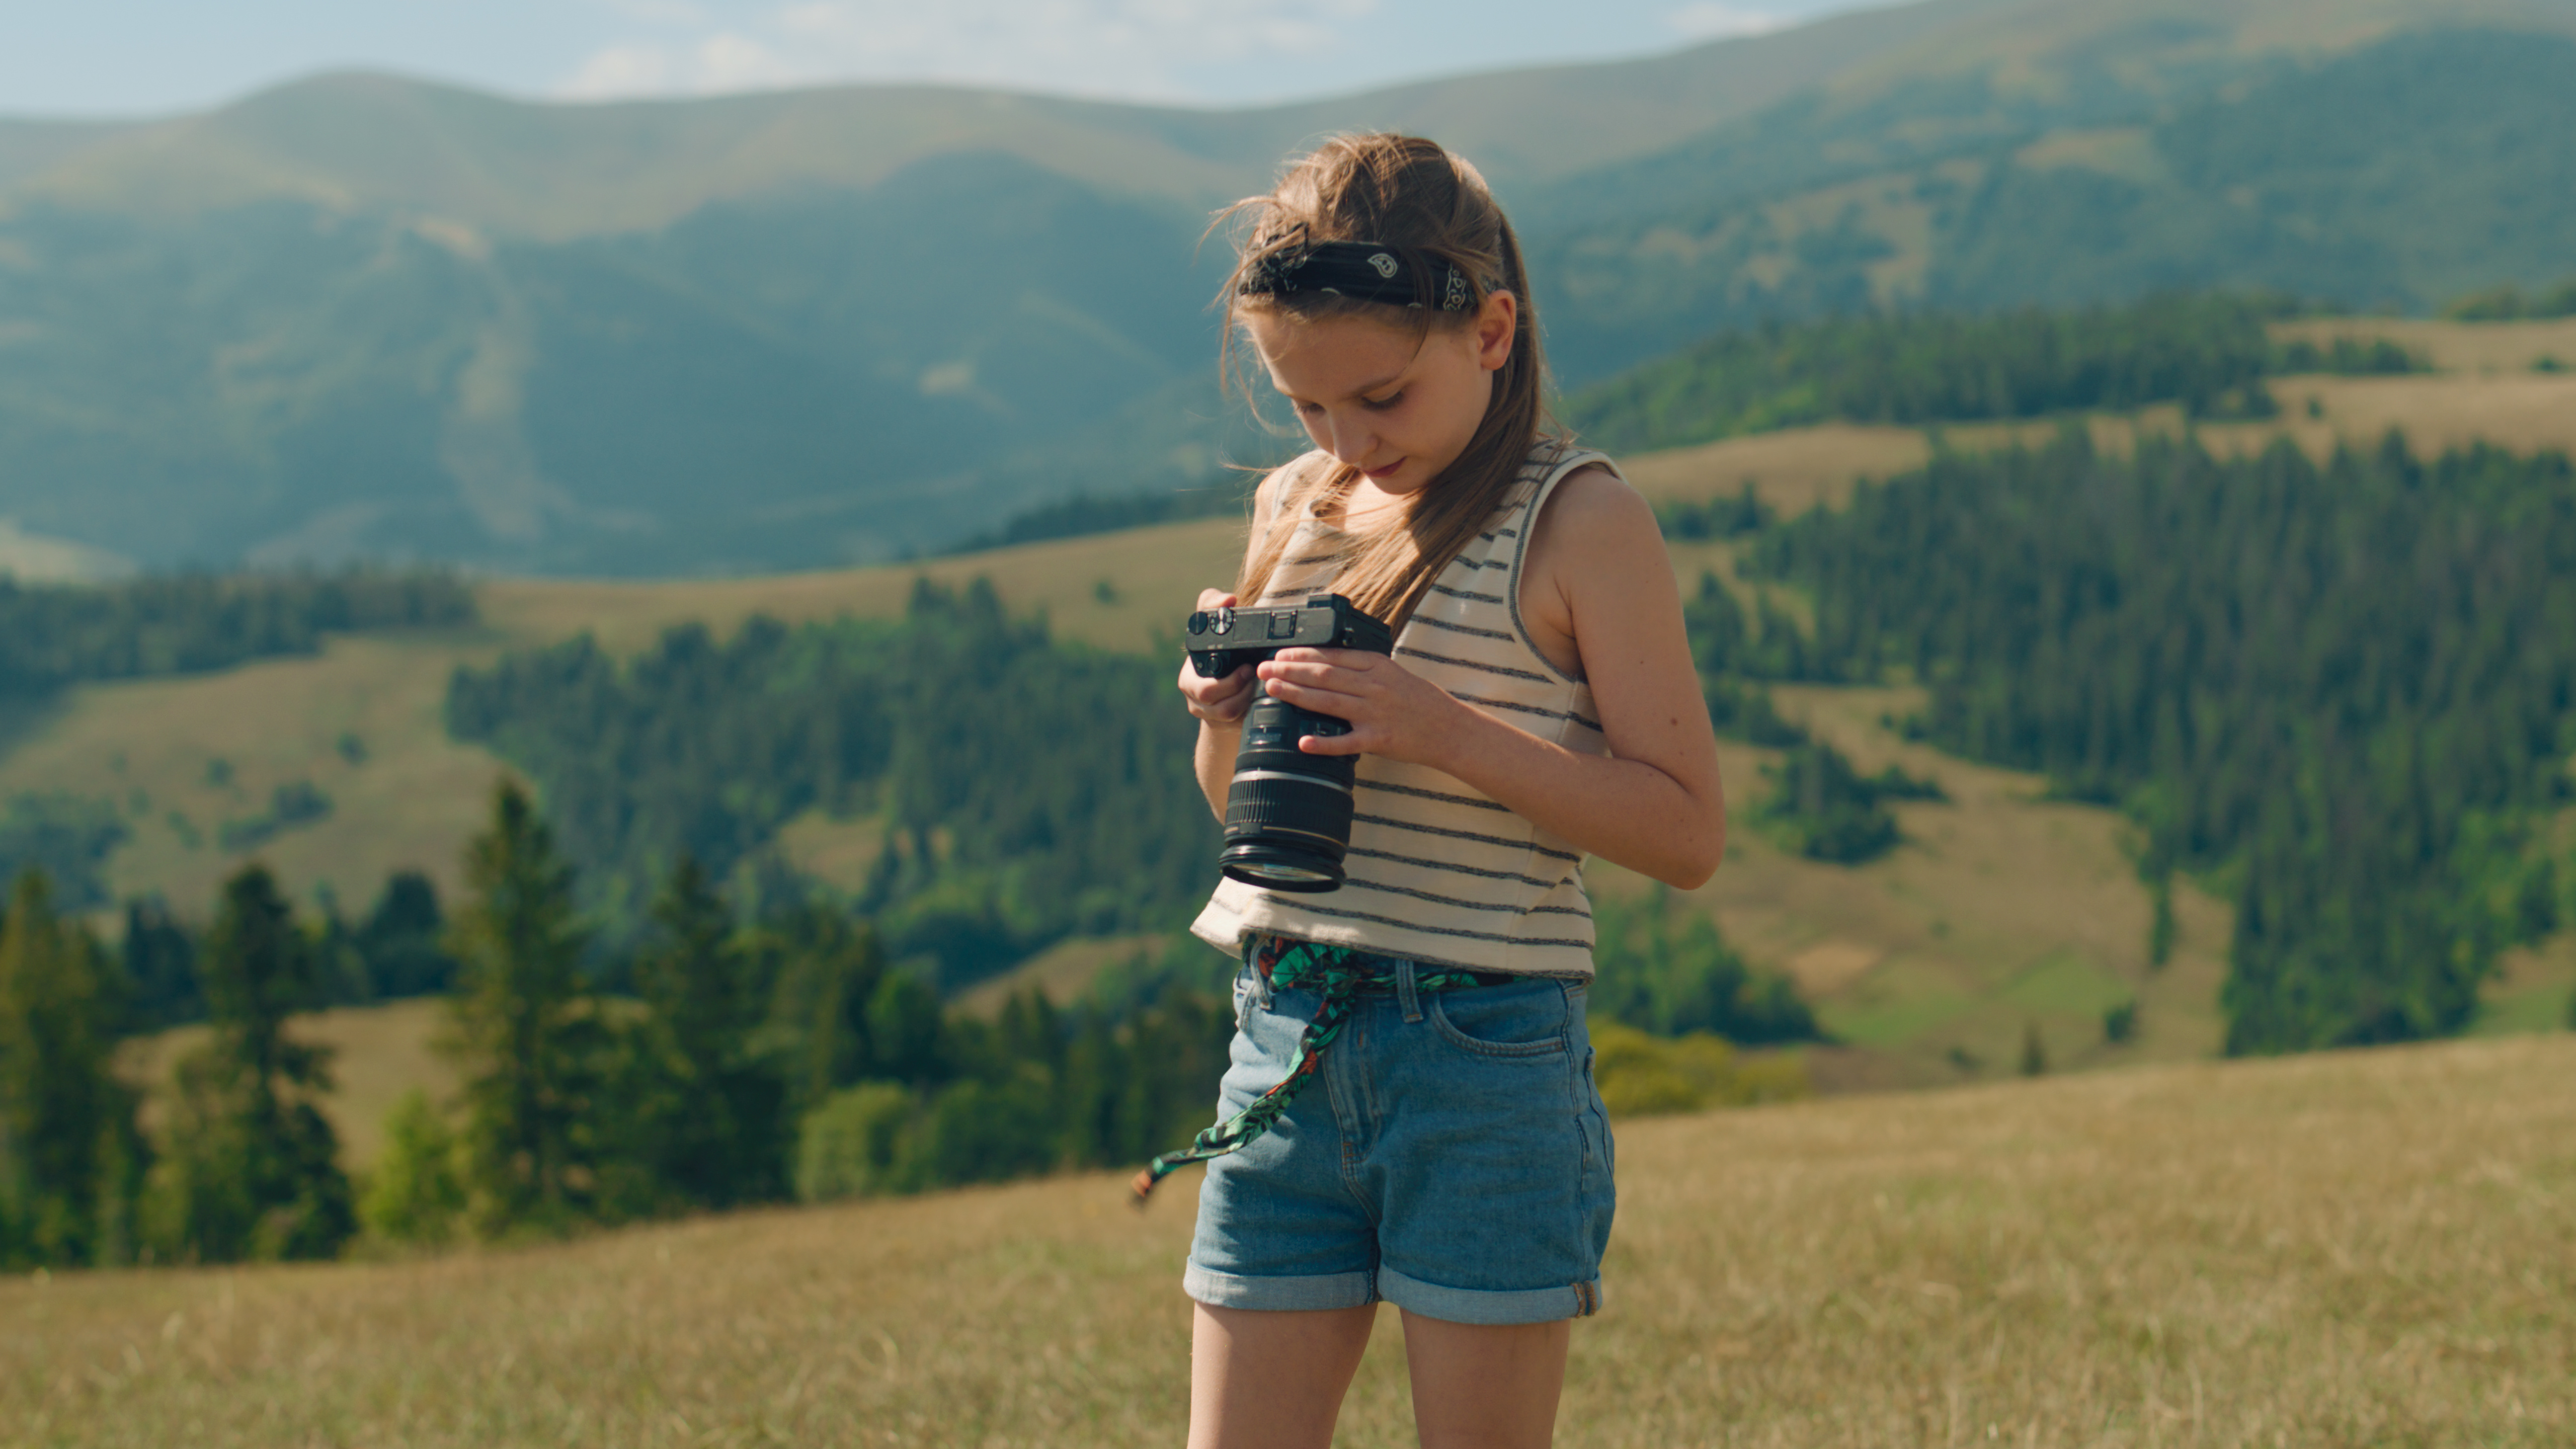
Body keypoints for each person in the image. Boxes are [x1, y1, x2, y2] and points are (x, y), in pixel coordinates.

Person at [1163, 133, 1727, 1449]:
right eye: (1310, 408)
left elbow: (1686, 832)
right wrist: (1224, 721)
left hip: (1480, 1060)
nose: (1351, 445)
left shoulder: (1580, 520)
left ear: (1490, 329)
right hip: (1283, 1036)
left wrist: (1443, 730)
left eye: (1381, 398)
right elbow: (1239, 822)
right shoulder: (1293, 505)